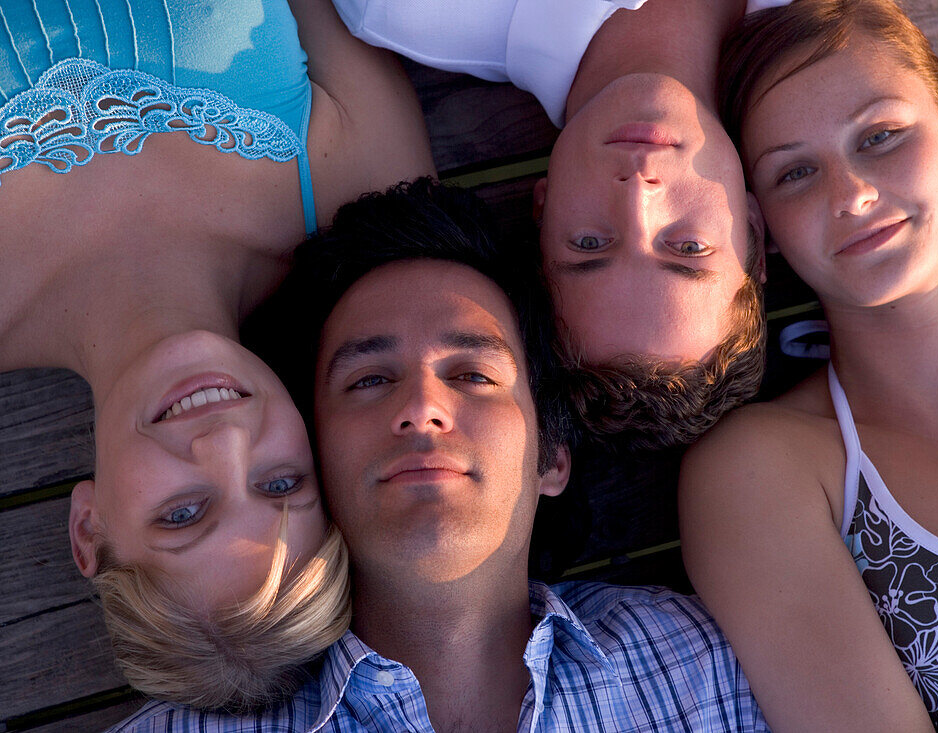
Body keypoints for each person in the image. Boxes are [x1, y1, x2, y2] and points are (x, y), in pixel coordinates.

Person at [110, 178, 771, 732]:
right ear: (312, 460)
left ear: (552, 456)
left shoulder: (712, 657)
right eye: (369, 380)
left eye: (473, 375)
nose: (421, 405)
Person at [0, 0, 433, 711]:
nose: (228, 440)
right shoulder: (361, 199)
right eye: (280, 482)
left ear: (89, 528)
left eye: (182, 513)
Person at [680, 0, 938, 731]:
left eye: (880, 136)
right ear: (761, 228)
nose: (852, 195)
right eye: (795, 173)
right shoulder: (764, 470)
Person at [331, 0, 787, 450]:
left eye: (589, 243)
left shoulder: (409, 7)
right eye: (688, 248)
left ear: (543, 208)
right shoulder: (834, 35)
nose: (638, 193)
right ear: (752, 225)